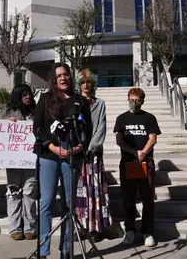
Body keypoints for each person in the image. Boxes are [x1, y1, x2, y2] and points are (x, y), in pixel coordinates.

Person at [34, 63, 93, 259]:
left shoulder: (80, 101)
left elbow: (88, 129)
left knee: (69, 205)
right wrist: (51, 146)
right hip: (49, 156)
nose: (63, 78)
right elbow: (38, 128)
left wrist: (79, 147)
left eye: (66, 74)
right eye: (59, 75)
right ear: (53, 79)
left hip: (72, 157)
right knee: (46, 201)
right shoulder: (44, 99)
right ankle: (42, 250)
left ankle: (66, 250)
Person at [113, 87, 161, 248]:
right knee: (128, 199)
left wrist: (144, 153)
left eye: (137, 100)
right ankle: (130, 230)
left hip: (146, 164)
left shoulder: (149, 118)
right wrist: (134, 152)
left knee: (147, 199)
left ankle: (148, 233)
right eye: (131, 100)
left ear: (142, 101)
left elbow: (153, 138)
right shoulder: (121, 119)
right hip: (128, 163)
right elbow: (119, 140)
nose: (134, 103)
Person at [74, 69, 111, 243]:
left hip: (93, 154)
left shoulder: (100, 103)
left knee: (94, 190)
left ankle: (96, 227)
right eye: (82, 82)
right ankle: (81, 226)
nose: (85, 85)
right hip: (77, 153)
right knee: (80, 190)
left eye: (88, 82)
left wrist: (91, 147)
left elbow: (101, 127)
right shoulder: (74, 103)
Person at [0, 83, 38, 241]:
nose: (27, 97)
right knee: (14, 192)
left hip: (31, 160)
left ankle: (30, 227)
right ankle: (15, 227)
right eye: (23, 95)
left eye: (28, 94)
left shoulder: (36, 111)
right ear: (17, 97)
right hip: (13, 161)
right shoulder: (7, 112)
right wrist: (8, 124)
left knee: (29, 192)